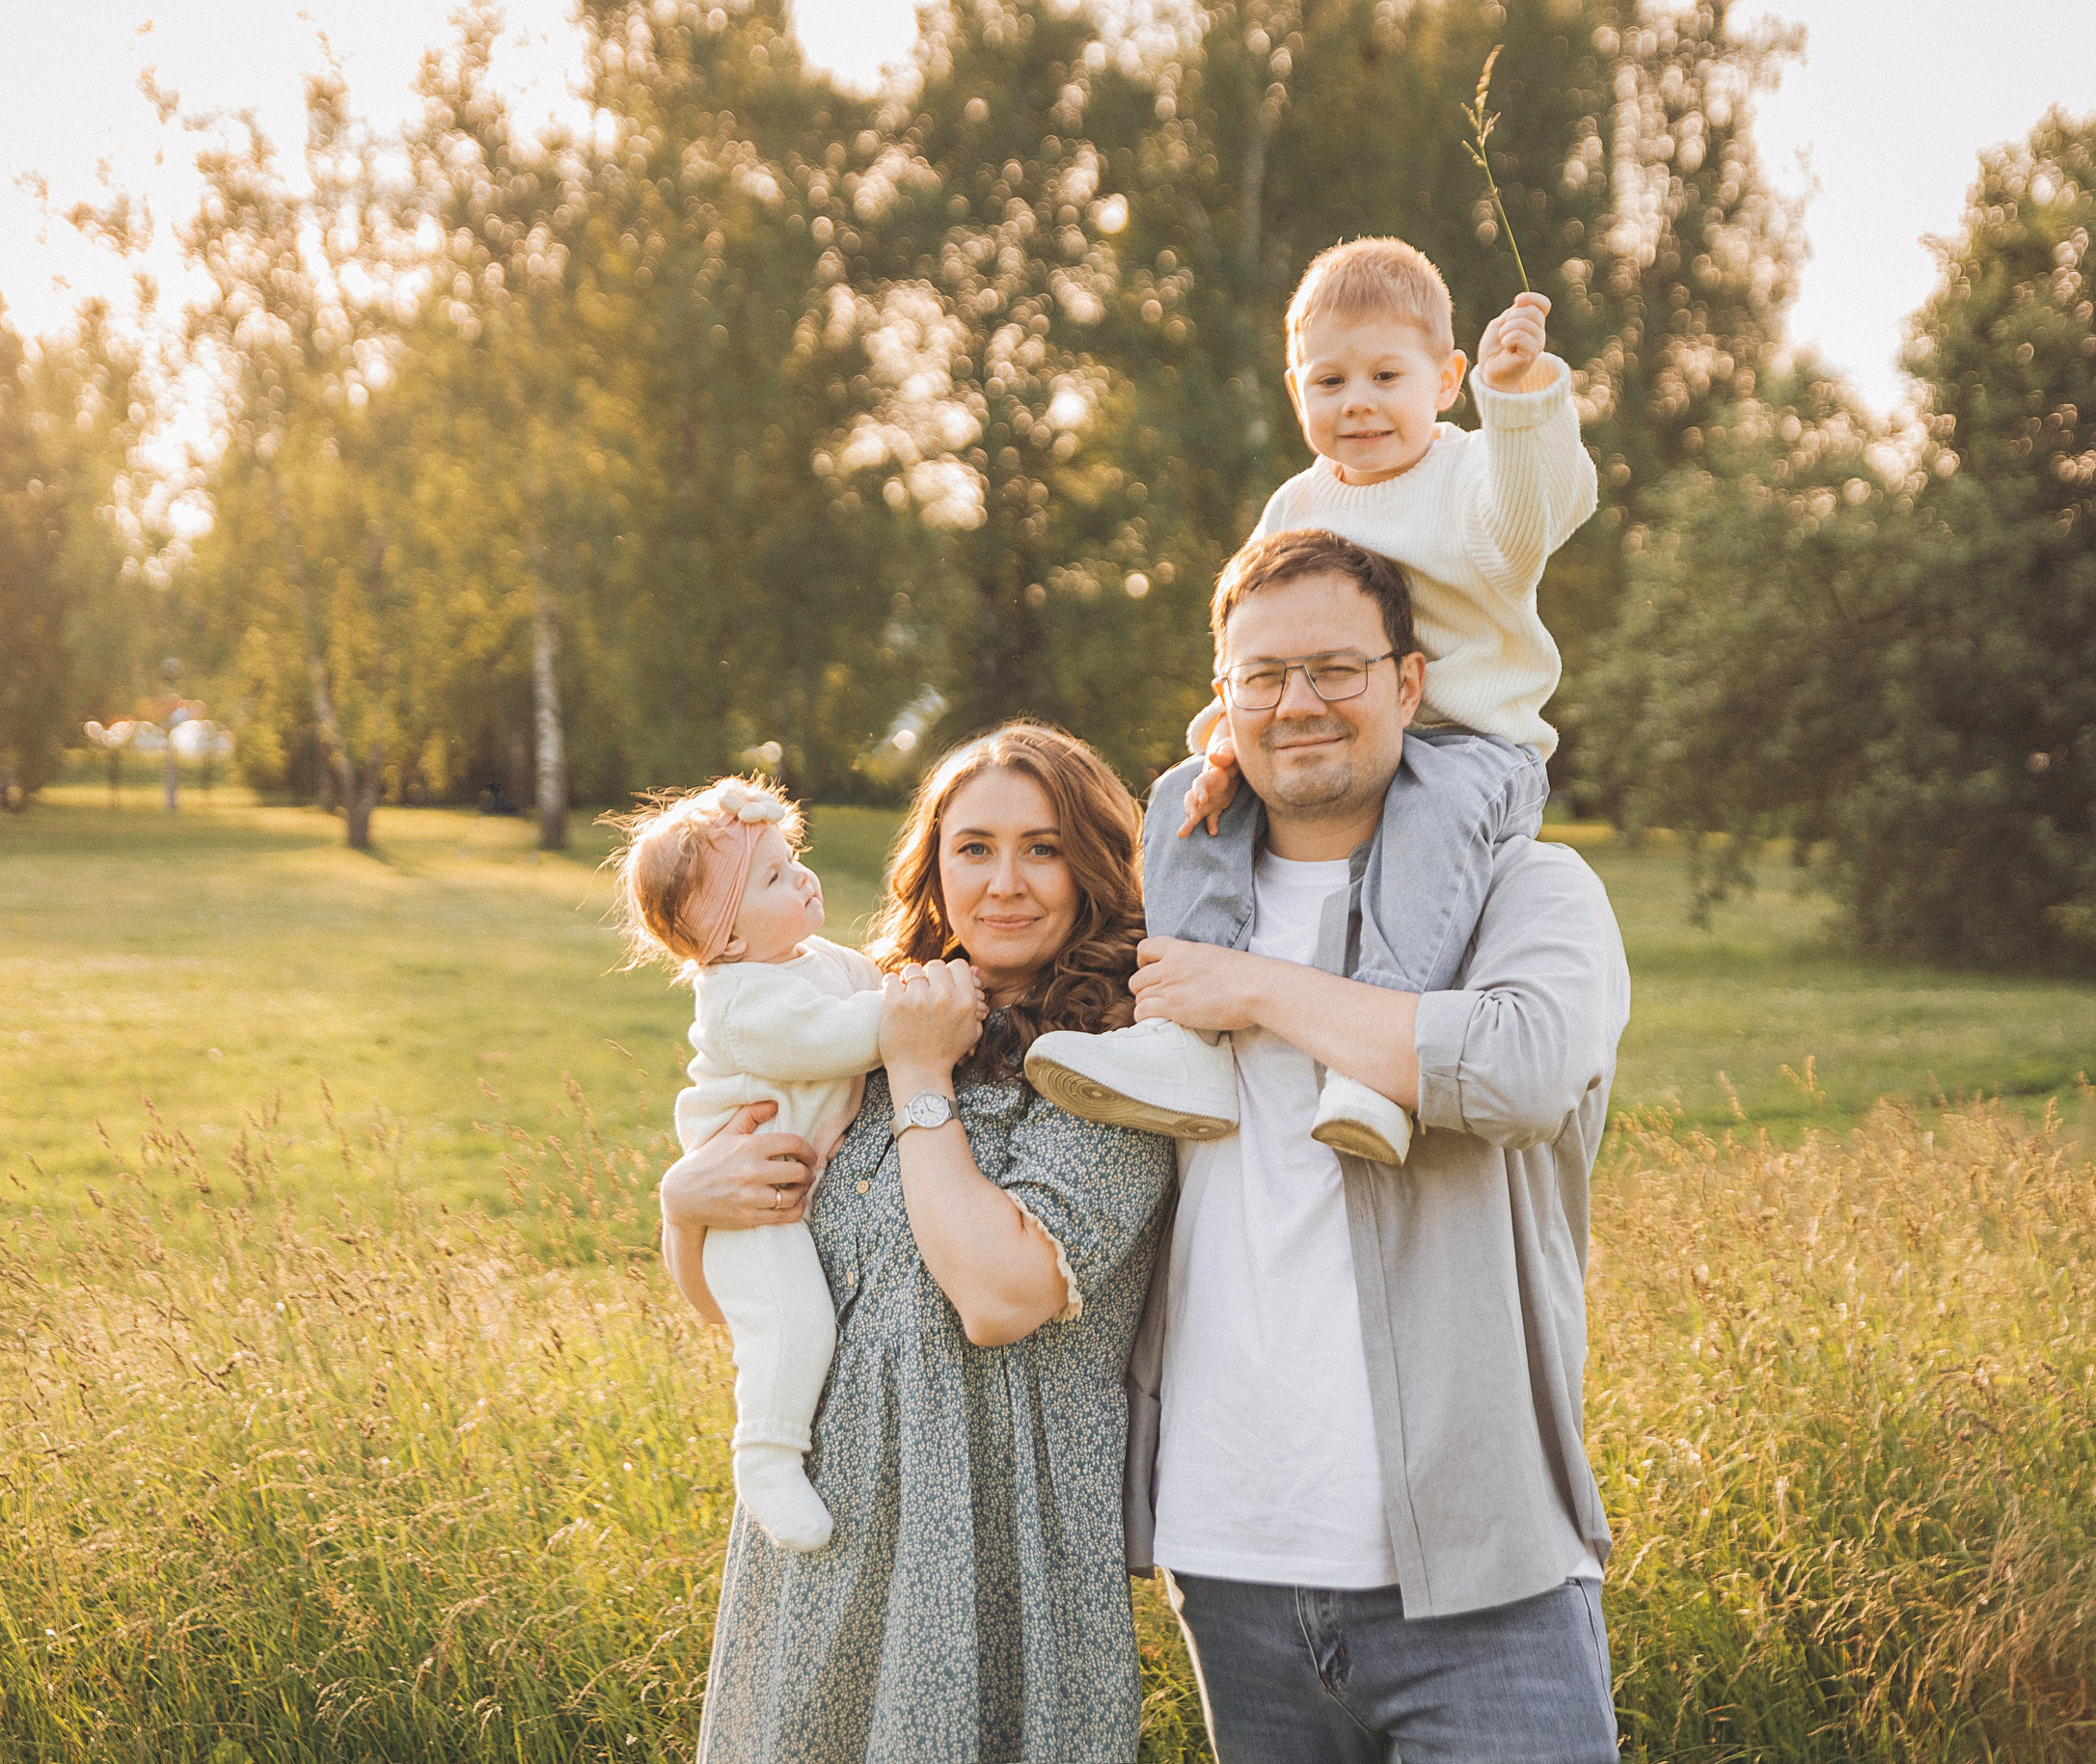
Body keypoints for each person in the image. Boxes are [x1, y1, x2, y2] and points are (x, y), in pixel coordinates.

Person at [1110, 531, 1631, 1760]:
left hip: (1481, 1568)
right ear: (1223, 700)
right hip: (1229, 1561)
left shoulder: (1530, 888)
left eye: (1336, 668)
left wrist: (1255, 990)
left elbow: (1516, 1068)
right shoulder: (1168, 912)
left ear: (1407, 682)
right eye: (1262, 674)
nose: (1297, 702)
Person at [661, 722, 1177, 1763]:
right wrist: (684, 1206)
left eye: (1042, 847)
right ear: (935, 866)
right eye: (973, 847)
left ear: (1092, 865)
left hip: (990, 1550)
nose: (1004, 882)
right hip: (820, 1542)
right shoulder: (862, 1019)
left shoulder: (1121, 1058)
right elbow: (740, 1299)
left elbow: (997, 1295)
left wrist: (918, 1072)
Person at [1027, 237, 1597, 1168]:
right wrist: (1225, 747)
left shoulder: (1469, 475)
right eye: (1330, 381)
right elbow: (1255, 636)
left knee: (1430, 815)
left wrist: (1521, 399)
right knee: (1181, 801)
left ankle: (1375, 1062)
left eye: (1386, 375)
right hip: (1333, 728)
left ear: (1446, 379)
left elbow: (1536, 516)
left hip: (1474, 745)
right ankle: (1181, 1038)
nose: (1358, 401)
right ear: (1296, 392)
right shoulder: (1296, 505)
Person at [603, 776, 898, 1554]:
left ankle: (775, 1454)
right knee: (793, 1319)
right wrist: (920, 1010)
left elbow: (873, 983)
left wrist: (908, 983)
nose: (802, 876)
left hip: (772, 1187)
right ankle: (766, 1456)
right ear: (728, 940)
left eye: (790, 857)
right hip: (742, 1203)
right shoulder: (740, 997)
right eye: (773, 877)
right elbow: (843, 1035)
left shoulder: (812, 957)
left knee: (800, 1317)